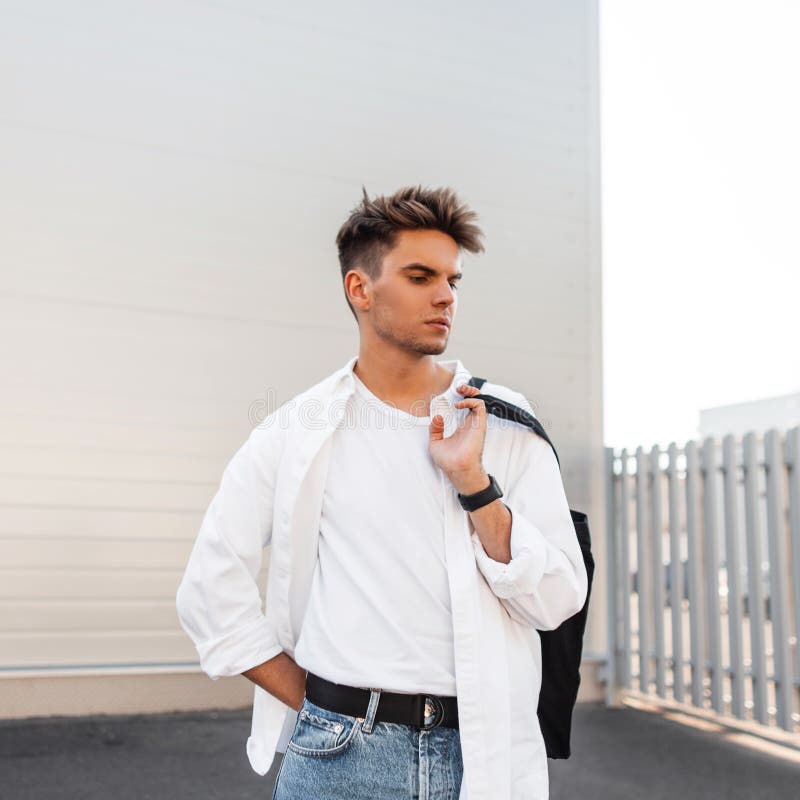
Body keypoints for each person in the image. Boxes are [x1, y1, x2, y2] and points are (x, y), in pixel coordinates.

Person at [175, 184, 588, 799]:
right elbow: (210, 586)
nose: (445, 295)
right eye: (420, 276)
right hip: (341, 757)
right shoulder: (297, 430)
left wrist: (474, 486)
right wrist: (313, 703)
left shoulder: (502, 422)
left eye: (451, 279)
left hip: (482, 760)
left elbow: (557, 598)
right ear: (360, 289)